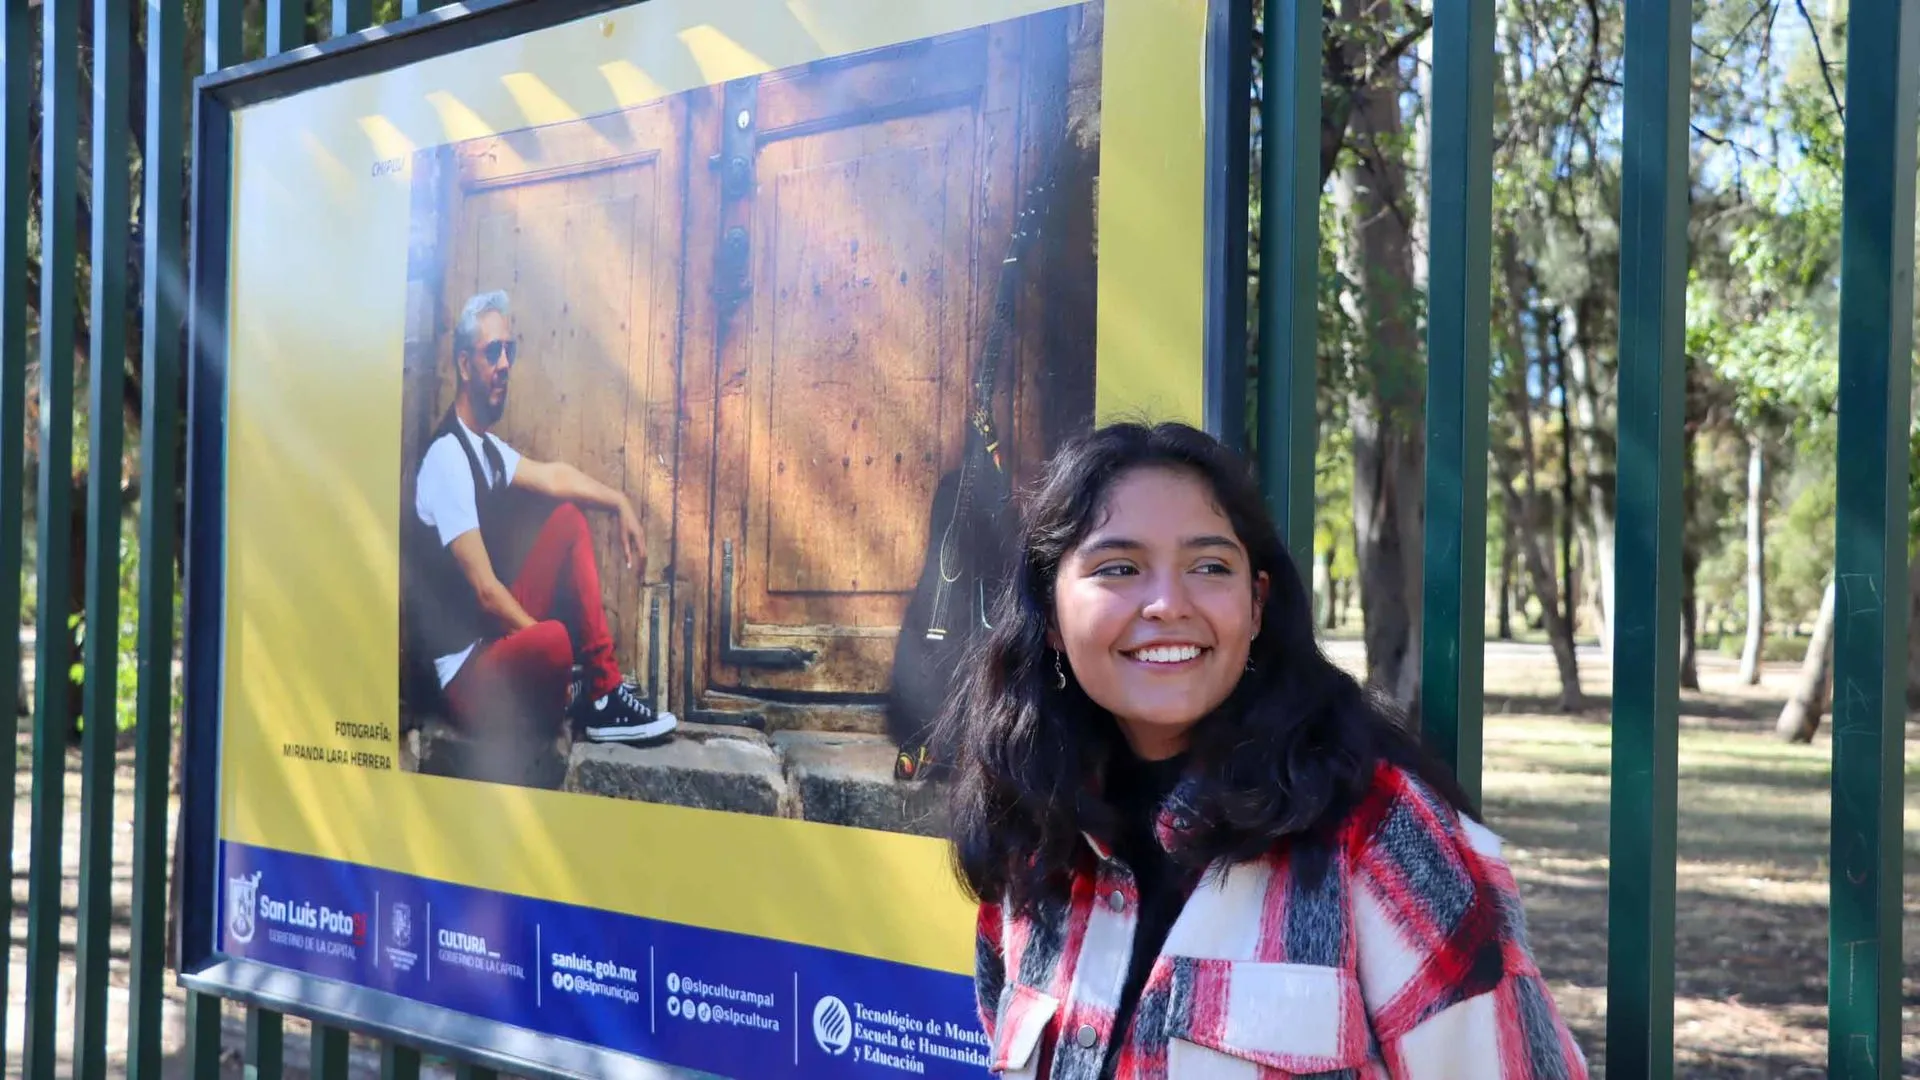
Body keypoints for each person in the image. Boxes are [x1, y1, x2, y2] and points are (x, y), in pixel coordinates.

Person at [941, 422, 1587, 1079]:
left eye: (1210, 566)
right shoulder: (1037, 831)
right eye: (1119, 568)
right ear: (1050, 614)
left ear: (1256, 604)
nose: (1167, 603)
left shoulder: (1375, 831)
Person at [406, 289, 676, 748]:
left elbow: (553, 477)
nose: (506, 364)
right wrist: (542, 641)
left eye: (510, 350)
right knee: (552, 641)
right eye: (494, 352)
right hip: (463, 680)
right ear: (465, 365)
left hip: (489, 643)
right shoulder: (448, 458)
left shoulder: (484, 448)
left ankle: (602, 693)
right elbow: (487, 594)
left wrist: (618, 502)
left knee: (569, 520)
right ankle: (578, 694)